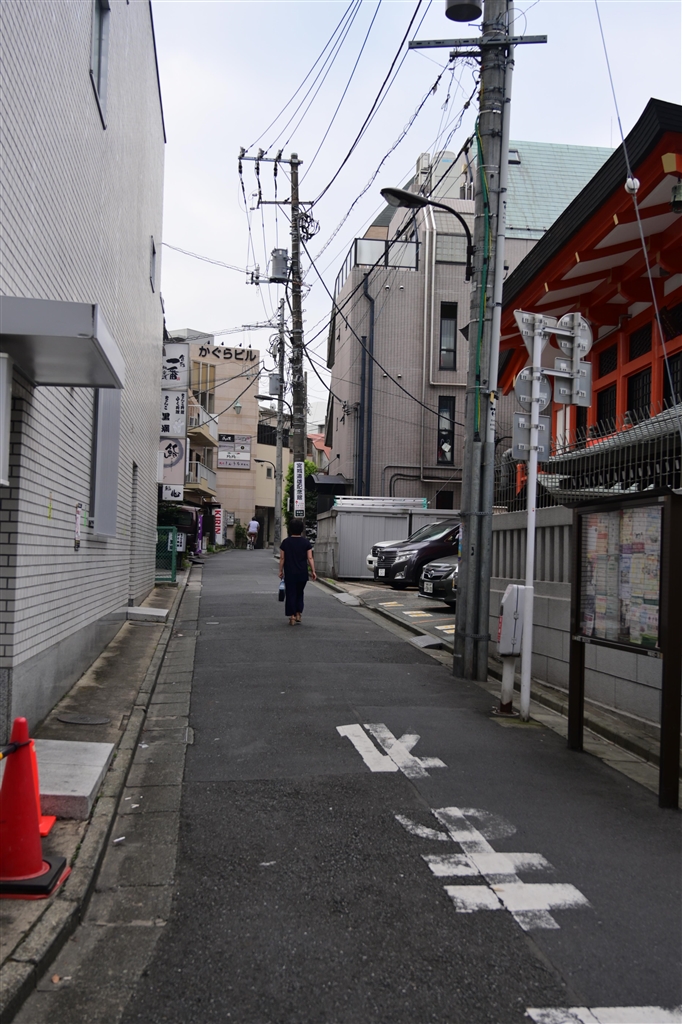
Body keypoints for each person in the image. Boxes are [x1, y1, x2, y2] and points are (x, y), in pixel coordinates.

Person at [279, 520, 316, 625]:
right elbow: (310, 558)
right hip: (302, 573)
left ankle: (292, 616)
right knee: (300, 592)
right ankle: (298, 613)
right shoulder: (306, 542)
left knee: (291, 593)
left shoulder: (285, 542)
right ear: (301, 529)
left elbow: (282, 558)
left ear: (290, 529)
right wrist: (313, 571)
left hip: (290, 572)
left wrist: (280, 571)